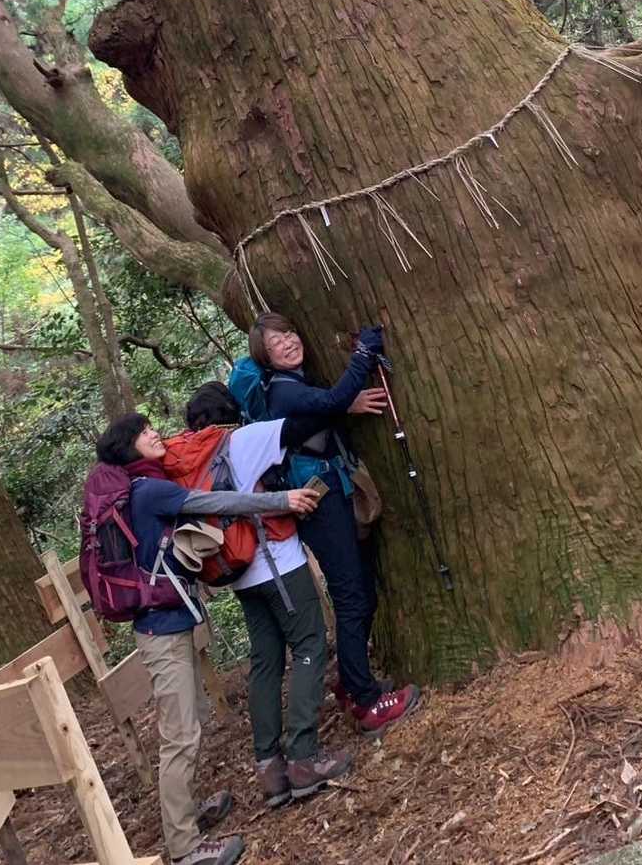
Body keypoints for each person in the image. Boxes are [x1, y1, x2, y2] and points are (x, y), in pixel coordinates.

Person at [93, 412, 320, 865]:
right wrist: (281, 500)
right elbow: (217, 501)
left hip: (167, 626)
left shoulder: (138, 490)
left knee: (189, 723)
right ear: (127, 447)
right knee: (179, 736)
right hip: (161, 632)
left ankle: (188, 813)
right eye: (143, 432)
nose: (154, 433)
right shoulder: (148, 491)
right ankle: (185, 848)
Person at [246, 314, 421, 735]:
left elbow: (320, 416)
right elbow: (328, 403)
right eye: (275, 342)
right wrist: (364, 352)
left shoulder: (295, 384)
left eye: (289, 333)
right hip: (319, 504)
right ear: (265, 357)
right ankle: (366, 701)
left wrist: (345, 404)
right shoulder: (282, 389)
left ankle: (350, 680)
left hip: (330, 493)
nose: (288, 342)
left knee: (361, 589)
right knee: (350, 595)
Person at [183, 382, 355, 808]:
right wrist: (348, 397)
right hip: (277, 563)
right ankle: (303, 757)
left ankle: (270, 769)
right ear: (231, 410)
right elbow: (303, 424)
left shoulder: (190, 459)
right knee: (310, 643)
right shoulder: (243, 439)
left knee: (265, 662)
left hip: (239, 573)